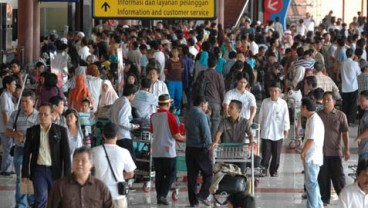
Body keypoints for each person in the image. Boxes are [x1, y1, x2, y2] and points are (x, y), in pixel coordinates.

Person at [22, 103, 71, 208]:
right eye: (40, 114)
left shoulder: (61, 131)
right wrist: (25, 174)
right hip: (38, 170)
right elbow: (26, 154)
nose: (43, 117)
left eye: (46, 114)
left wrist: (67, 176)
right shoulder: (32, 131)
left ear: (51, 115)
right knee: (41, 198)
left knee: (56, 200)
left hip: (55, 170)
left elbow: (66, 155)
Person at [47, 146, 114, 208]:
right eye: (76, 160)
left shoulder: (100, 187)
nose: (79, 163)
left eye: (83, 160)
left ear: (91, 164)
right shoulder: (60, 186)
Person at [150, 94, 186, 205]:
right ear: (168, 104)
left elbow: (152, 131)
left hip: (156, 150)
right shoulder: (170, 116)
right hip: (168, 150)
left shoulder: (153, 116)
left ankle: (159, 197)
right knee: (171, 173)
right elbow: (177, 136)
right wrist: (187, 139)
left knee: (159, 174)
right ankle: (163, 195)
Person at [5, 90, 38, 208]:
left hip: (34, 152)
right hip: (19, 150)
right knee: (21, 178)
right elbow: (7, 131)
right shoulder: (15, 114)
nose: (23, 104)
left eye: (26, 101)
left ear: (33, 102)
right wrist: (15, 134)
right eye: (22, 101)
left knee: (33, 176)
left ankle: (32, 200)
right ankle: (21, 204)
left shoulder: (39, 116)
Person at [92, 122, 136, 208]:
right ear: (118, 135)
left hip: (99, 195)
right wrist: (120, 176)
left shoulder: (94, 151)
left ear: (103, 135)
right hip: (118, 196)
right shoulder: (124, 152)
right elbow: (131, 173)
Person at [317, 92, 350, 206]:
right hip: (321, 153)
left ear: (334, 102)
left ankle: (344, 199)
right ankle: (324, 199)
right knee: (323, 177)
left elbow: (345, 133)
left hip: (335, 152)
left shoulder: (341, 115)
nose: (325, 102)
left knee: (338, 177)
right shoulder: (317, 115)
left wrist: (347, 149)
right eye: (324, 99)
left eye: (328, 99)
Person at [184, 96, 212, 207]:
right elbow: (206, 133)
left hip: (189, 149)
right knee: (209, 174)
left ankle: (193, 202)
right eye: (206, 104)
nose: (207, 107)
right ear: (203, 104)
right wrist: (209, 146)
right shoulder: (201, 115)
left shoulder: (188, 114)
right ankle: (202, 195)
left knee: (192, 176)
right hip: (201, 149)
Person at [211, 99, 254, 172]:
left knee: (242, 173)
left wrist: (251, 141)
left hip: (240, 153)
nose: (228, 109)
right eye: (229, 107)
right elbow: (219, 133)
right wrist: (215, 141)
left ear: (238, 110)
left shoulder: (244, 122)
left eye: (231, 107)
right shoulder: (224, 121)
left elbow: (250, 134)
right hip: (227, 153)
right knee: (228, 173)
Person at [259, 82, 290, 177]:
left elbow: (286, 117)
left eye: (275, 91)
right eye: (271, 91)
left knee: (276, 154)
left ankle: (274, 170)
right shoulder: (265, 102)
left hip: (278, 132)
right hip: (266, 131)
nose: (273, 93)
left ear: (280, 92)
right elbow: (261, 116)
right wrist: (259, 127)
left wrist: (286, 128)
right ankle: (263, 169)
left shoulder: (283, 103)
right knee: (266, 152)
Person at [300, 98, 325, 208]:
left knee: (311, 185)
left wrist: (303, 152)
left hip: (312, 157)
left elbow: (311, 139)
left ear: (305, 107)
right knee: (312, 184)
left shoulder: (314, 120)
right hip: (311, 156)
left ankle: (313, 206)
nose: (300, 110)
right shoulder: (311, 118)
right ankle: (318, 205)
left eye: (301, 107)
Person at [110, 84, 140, 160]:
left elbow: (109, 114)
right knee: (131, 161)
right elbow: (122, 121)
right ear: (132, 94)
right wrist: (133, 126)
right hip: (124, 136)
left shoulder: (118, 101)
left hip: (116, 135)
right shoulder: (126, 103)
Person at [0, 75, 16, 176]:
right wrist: (8, 127)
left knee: (9, 147)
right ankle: (4, 169)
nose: (15, 86)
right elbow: (5, 113)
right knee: (8, 148)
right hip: (5, 129)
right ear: (7, 85)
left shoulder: (9, 96)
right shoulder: (4, 96)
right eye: (13, 84)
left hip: (7, 128)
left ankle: (7, 168)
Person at [340, 48, 361, 125]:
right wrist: (356, 61)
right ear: (352, 55)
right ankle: (351, 121)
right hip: (353, 87)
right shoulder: (354, 63)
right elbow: (359, 73)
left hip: (344, 87)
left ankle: (344, 120)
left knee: (345, 104)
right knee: (353, 104)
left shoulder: (342, 63)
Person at [356, 90, 368, 160]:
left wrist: (359, 137)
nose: (360, 103)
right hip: (363, 148)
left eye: (362, 100)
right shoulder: (365, 112)